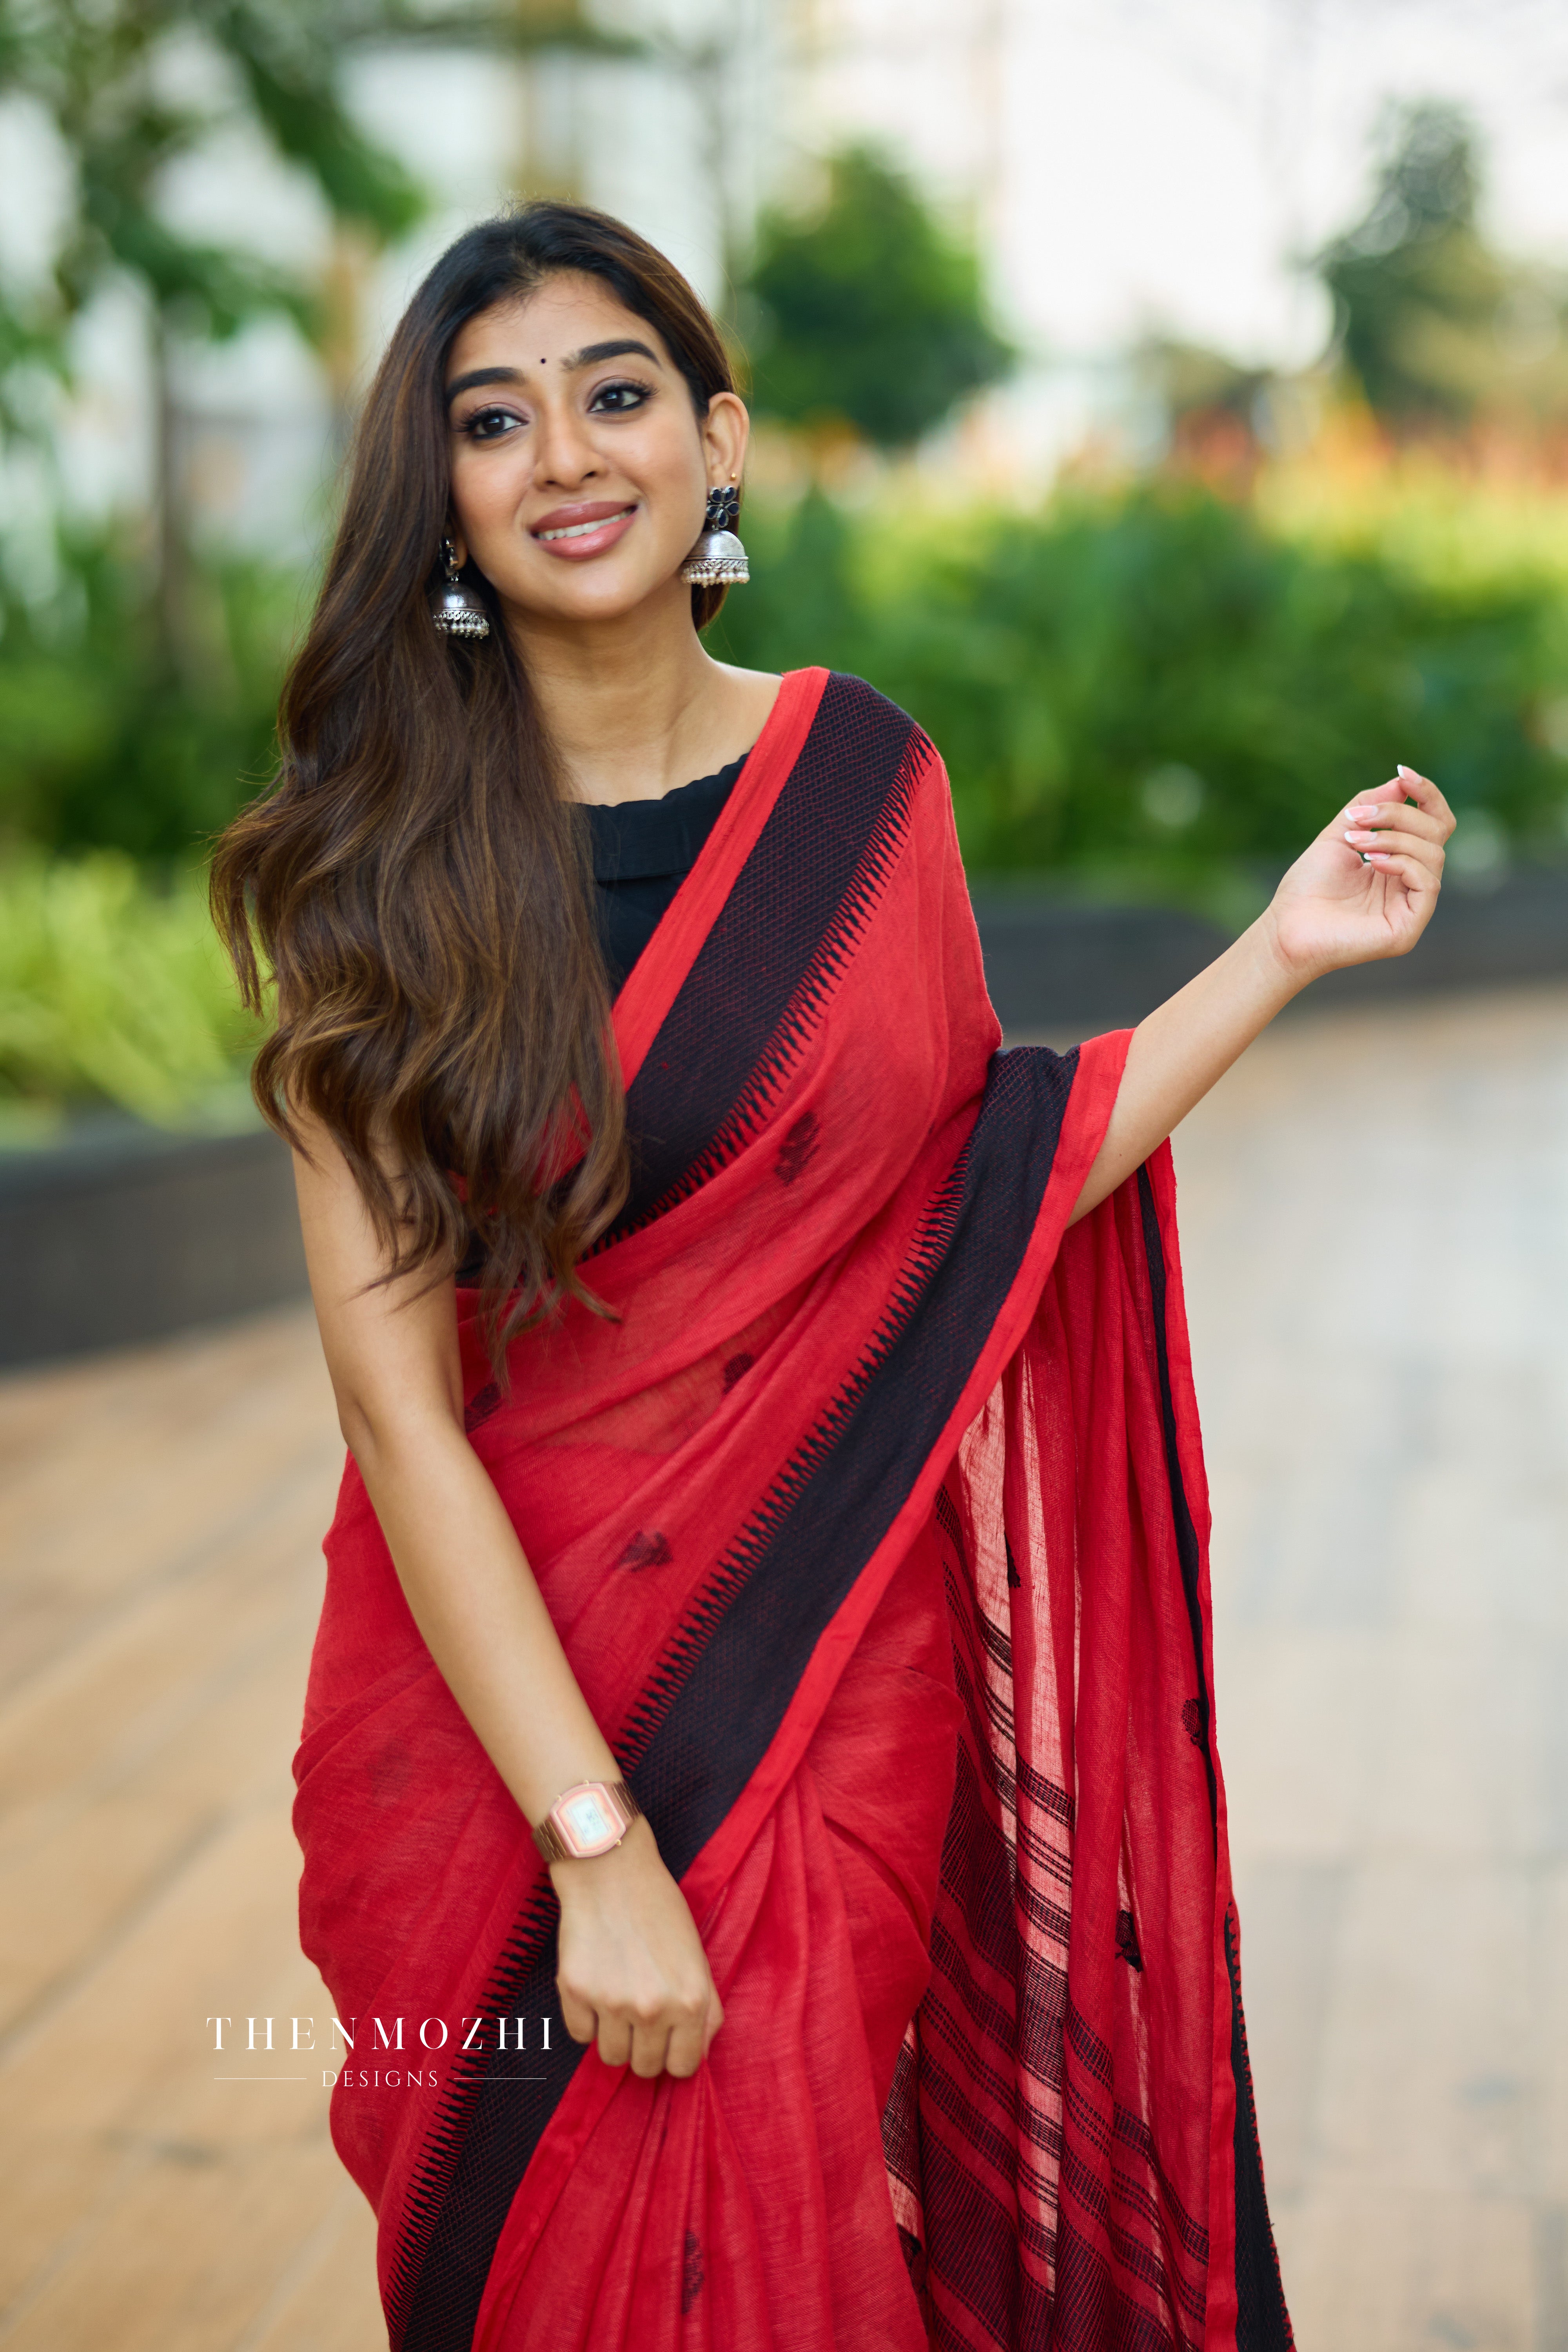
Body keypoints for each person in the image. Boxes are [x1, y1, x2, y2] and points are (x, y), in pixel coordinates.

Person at [211, 203, 1452, 2352]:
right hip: (494, 1723)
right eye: (492, 421)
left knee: (796, 2242)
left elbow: (986, 1191)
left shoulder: (863, 783)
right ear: (447, 500)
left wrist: (1282, 951)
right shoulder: (372, 877)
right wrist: (594, 1843)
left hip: (819, 1670)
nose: (566, 455)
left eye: (617, 393)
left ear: (720, 440)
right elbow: (398, 1413)